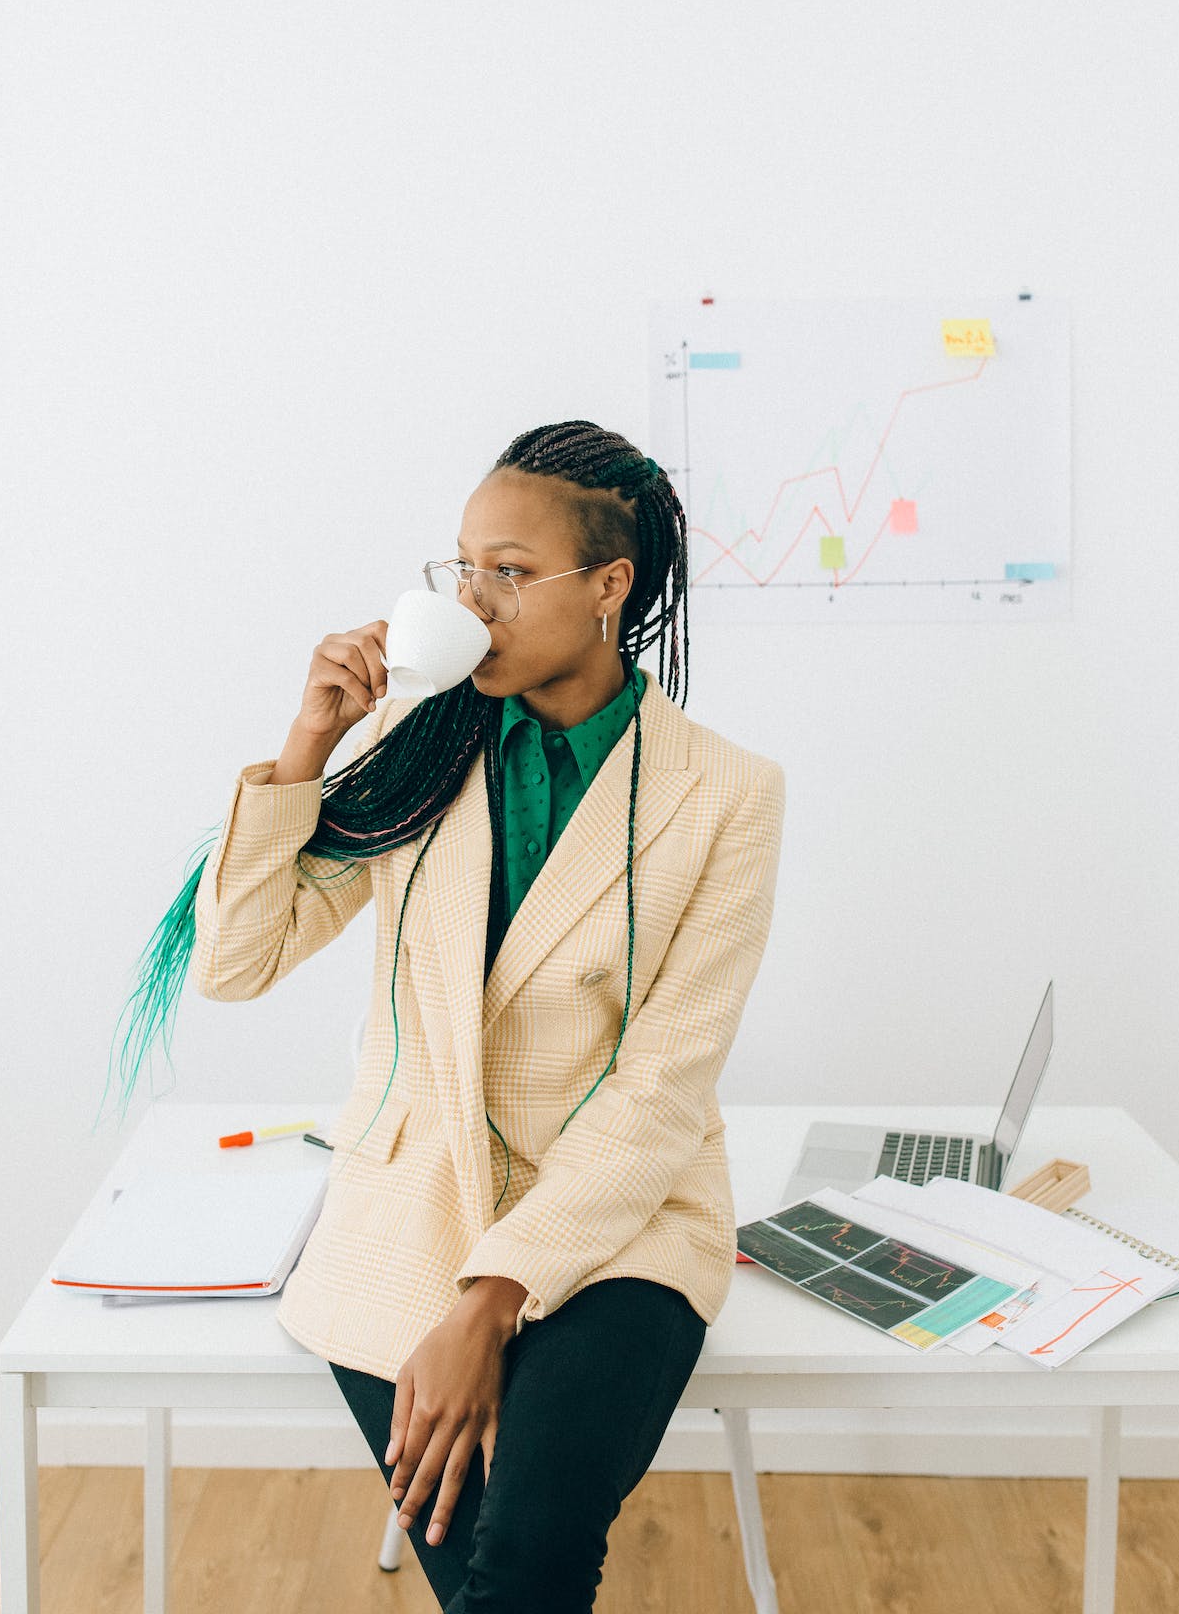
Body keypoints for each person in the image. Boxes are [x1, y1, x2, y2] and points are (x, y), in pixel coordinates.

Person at [184, 420, 787, 1611]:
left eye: (510, 570)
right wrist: (309, 741)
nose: (475, 599)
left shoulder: (728, 794)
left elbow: (662, 1082)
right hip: (410, 1210)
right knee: (501, 1567)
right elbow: (235, 962)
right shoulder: (422, 744)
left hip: (619, 1221)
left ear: (609, 583)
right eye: (463, 567)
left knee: (533, 1545)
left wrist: (492, 1296)